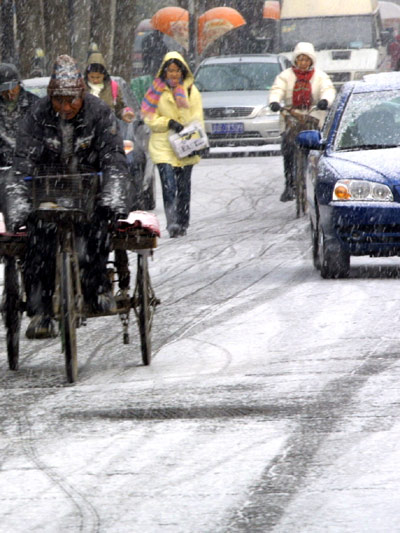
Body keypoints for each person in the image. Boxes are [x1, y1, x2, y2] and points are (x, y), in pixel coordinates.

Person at [8, 54, 129, 339]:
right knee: (38, 246)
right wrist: (19, 208)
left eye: (71, 101)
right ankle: (41, 312)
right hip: (47, 192)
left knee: (97, 234)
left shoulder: (99, 112)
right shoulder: (36, 116)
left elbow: (113, 157)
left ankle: (96, 288)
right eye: (58, 101)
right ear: (50, 97)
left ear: (81, 95)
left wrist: (112, 198)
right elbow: (21, 162)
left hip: (89, 192)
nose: (65, 108)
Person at [141, 51, 204, 238]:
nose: (174, 74)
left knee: (183, 187)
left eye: (177, 71)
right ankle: (172, 222)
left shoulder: (191, 90)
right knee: (168, 185)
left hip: (186, 144)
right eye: (170, 71)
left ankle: (183, 220)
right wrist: (168, 122)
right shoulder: (155, 91)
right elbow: (149, 118)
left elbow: (197, 117)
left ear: (182, 71)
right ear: (164, 71)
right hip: (162, 145)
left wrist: (198, 139)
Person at [269, 42, 336, 202]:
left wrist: (325, 101)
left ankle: (318, 184)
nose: (303, 63)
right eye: (300, 59)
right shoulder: (285, 76)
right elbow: (277, 90)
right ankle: (290, 185)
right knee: (288, 148)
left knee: (317, 150)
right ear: (295, 60)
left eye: (306, 60)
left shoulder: (320, 76)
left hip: (313, 116)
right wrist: (275, 102)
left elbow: (328, 90)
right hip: (292, 116)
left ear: (311, 61)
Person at [84, 50, 134, 123]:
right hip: (85, 128)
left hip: (107, 128)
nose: (95, 80)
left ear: (104, 75)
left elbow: (119, 107)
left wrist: (125, 113)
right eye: (92, 77)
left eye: (98, 77)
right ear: (87, 75)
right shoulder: (81, 87)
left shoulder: (113, 87)